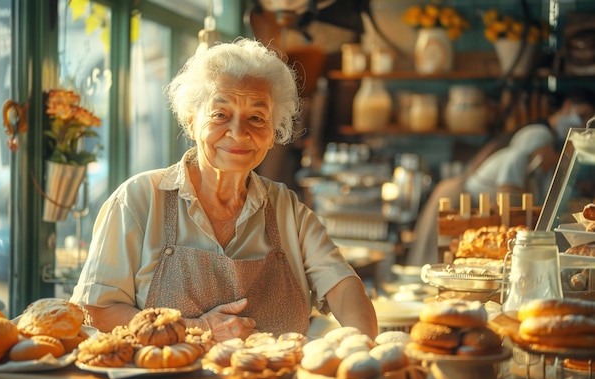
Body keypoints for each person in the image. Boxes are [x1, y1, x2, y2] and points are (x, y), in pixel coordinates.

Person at [69, 38, 377, 341]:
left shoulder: (286, 208)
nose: (239, 132)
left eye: (256, 118)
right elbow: (95, 310)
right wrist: (196, 329)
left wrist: (363, 347)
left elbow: (344, 286)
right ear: (191, 122)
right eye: (220, 115)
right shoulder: (138, 199)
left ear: (272, 134)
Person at [406, 88, 595, 267]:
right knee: (431, 257)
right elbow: (510, 208)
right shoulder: (517, 159)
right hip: (456, 198)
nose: (552, 157)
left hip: (472, 207)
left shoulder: (531, 170)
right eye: (549, 151)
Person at [463, 89, 595, 206]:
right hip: (476, 206)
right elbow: (509, 203)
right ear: (567, 106)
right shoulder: (535, 137)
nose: (582, 125)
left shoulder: (538, 169)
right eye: (582, 116)